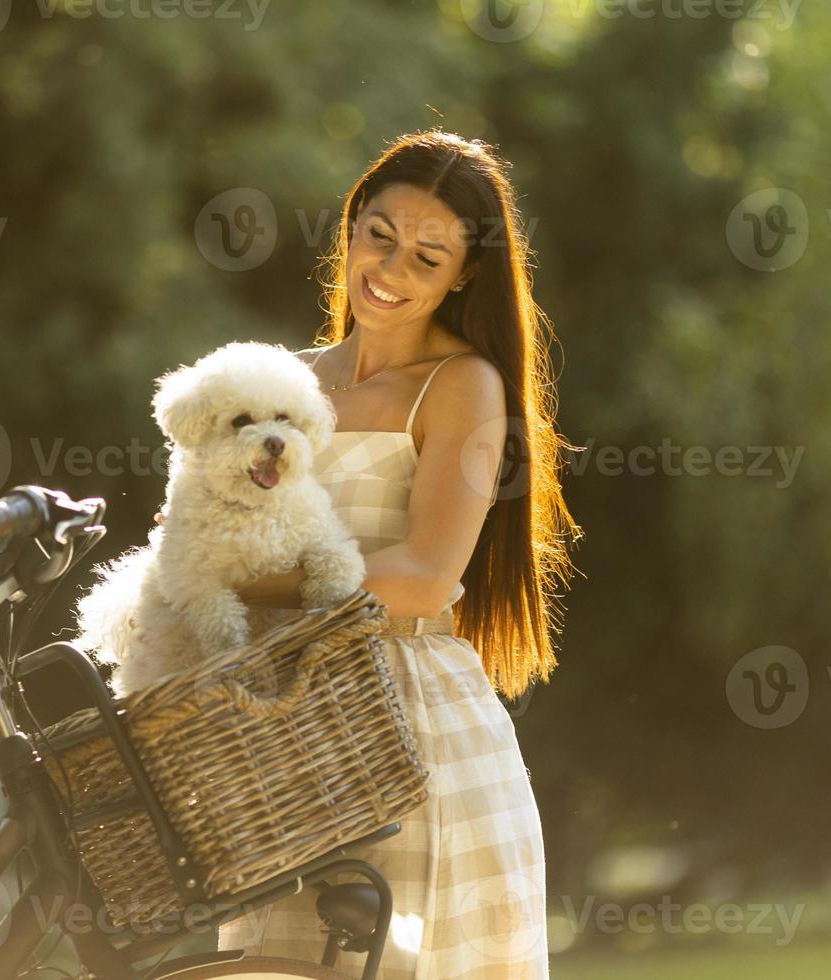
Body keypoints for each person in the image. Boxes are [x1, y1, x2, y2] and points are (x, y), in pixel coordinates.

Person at [213, 130, 584, 979]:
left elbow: (424, 577)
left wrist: (247, 582)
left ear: (464, 275)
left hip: (407, 726)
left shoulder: (462, 385)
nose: (390, 269)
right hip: (286, 720)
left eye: (427, 256)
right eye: (379, 235)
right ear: (350, 226)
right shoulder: (286, 383)